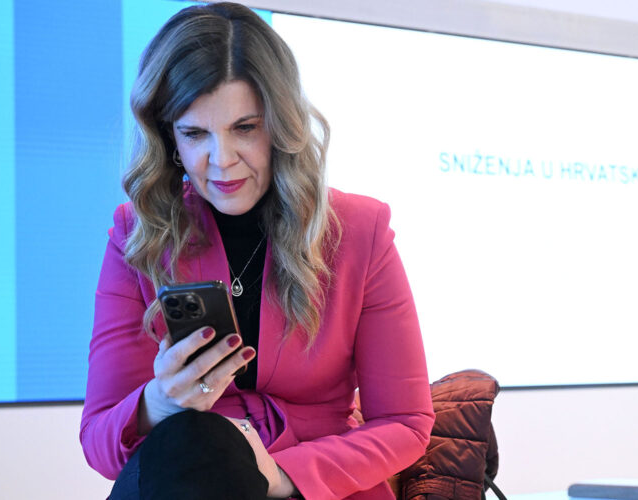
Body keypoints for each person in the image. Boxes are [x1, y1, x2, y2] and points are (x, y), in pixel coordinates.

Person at [79, 3, 435, 499]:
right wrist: (159, 402)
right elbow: (99, 445)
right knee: (190, 447)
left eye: (245, 128)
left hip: (314, 484)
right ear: (169, 137)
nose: (221, 160)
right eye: (195, 133)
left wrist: (276, 474)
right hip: (185, 478)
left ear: (282, 126)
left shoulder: (360, 230)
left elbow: (405, 423)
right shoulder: (136, 233)